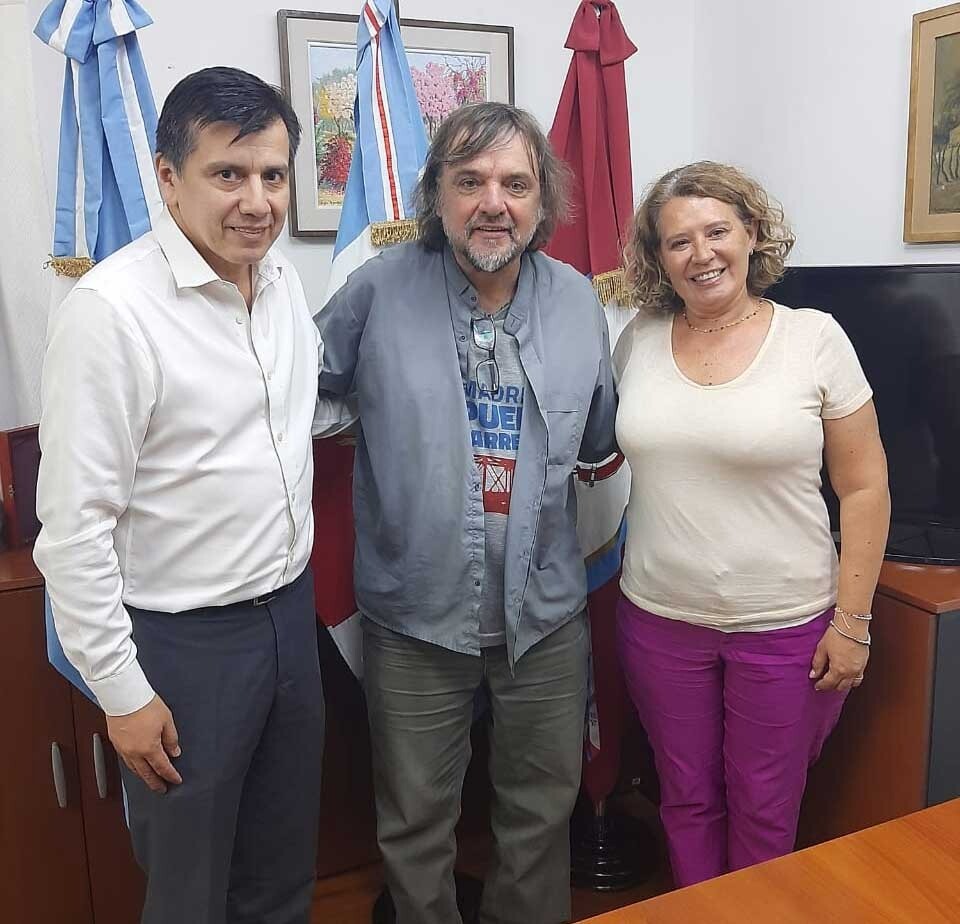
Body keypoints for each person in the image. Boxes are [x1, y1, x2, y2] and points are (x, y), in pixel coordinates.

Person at [34, 67, 338, 924]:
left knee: (282, 875)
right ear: (168, 178)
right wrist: (123, 694)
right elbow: (73, 531)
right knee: (190, 892)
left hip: (288, 617)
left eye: (273, 176)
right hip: (182, 645)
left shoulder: (279, 283)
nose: (257, 201)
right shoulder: (113, 312)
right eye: (227, 174)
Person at [316, 102, 617, 924]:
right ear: (437, 194)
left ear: (541, 200)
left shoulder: (579, 301)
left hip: (545, 619)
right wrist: (375, 424)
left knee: (537, 816)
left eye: (516, 184)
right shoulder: (375, 290)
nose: (494, 202)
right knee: (415, 824)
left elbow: (600, 432)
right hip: (414, 616)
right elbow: (300, 388)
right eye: (470, 181)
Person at [613, 161, 890, 887]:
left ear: (752, 234)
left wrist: (853, 622)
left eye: (716, 232)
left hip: (786, 628)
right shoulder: (638, 339)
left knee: (767, 810)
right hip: (659, 620)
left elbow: (864, 487)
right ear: (657, 258)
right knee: (686, 801)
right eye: (678, 242)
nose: (700, 254)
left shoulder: (814, 339)